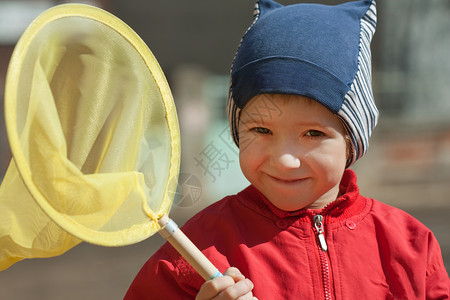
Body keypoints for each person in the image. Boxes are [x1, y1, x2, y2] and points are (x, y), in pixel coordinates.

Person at [125, 0, 450, 299]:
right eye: (261, 130)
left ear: (352, 139)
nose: (284, 159)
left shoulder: (409, 246)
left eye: (312, 133)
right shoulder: (196, 250)